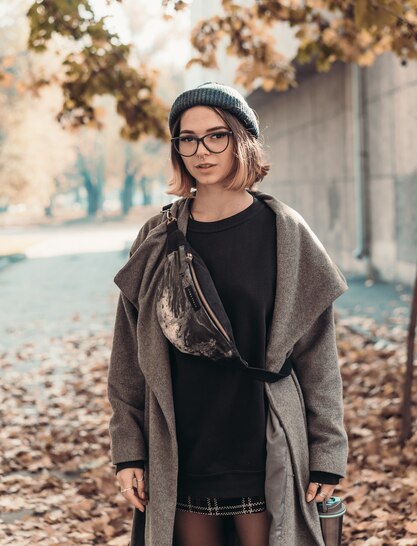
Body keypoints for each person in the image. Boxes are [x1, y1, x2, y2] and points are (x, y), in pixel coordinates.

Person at [107, 82, 349, 546]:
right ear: (177, 148)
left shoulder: (286, 233)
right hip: (180, 449)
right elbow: (128, 357)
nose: (202, 150)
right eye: (188, 138)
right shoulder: (157, 239)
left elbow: (318, 358)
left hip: (267, 447)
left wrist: (327, 453)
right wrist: (129, 452)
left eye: (217, 135)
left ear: (242, 140)